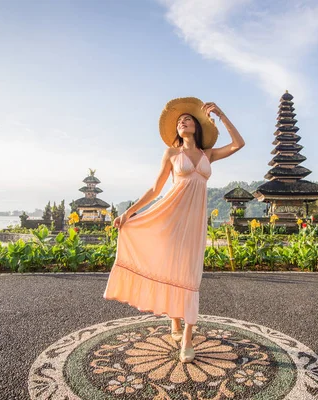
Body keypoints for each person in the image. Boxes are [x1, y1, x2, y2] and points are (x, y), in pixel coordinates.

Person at [103, 97, 245, 363]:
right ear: (176, 130)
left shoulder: (207, 154)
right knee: (172, 268)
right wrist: (127, 213)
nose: (183, 122)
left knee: (191, 277)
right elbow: (155, 189)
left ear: (197, 126)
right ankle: (176, 324)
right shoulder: (171, 153)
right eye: (180, 121)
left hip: (195, 223)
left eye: (188, 119)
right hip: (171, 217)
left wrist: (223, 115)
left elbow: (239, 144)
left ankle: (187, 337)